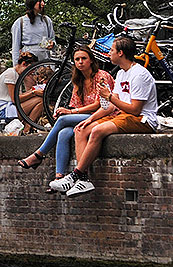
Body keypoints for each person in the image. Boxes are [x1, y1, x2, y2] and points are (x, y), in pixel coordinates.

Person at [54, 35, 157, 197]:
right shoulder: (122, 73)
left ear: (120, 53)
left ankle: (77, 174)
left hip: (142, 119)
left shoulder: (139, 75)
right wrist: (90, 119)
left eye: (112, 50)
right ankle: (84, 180)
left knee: (97, 131)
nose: (109, 53)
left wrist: (109, 97)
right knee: (81, 129)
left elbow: (135, 109)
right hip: (123, 115)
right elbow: (110, 106)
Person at [17, 46, 114, 189]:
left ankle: (38, 155)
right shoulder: (78, 80)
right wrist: (68, 111)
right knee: (63, 133)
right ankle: (59, 177)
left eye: (84, 58)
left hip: (103, 114)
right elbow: (75, 104)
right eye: (77, 59)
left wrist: (70, 112)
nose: (80, 62)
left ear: (91, 61)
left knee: (63, 120)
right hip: (84, 116)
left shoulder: (101, 76)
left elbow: (99, 104)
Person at [0, 51, 37, 133]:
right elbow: (14, 99)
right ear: (24, 64)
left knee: (38, 99)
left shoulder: (17, 75)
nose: (32, 72)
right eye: (31, 68)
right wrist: (33, 93)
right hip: (3, 111)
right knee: (39, 100)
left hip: (8, 108)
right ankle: (27, 128)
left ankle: (28, 125)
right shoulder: (11, 74)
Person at [11, 0, 55, 66]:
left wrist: (52, 44)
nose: (43, 4)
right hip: (28, 63)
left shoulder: (46, 20)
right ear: (32, 2)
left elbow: (52, 39)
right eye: (40, 1)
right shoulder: (19, 22)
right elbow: (15, 48)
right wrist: (16, 66)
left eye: (43, 1)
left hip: (45, 62)